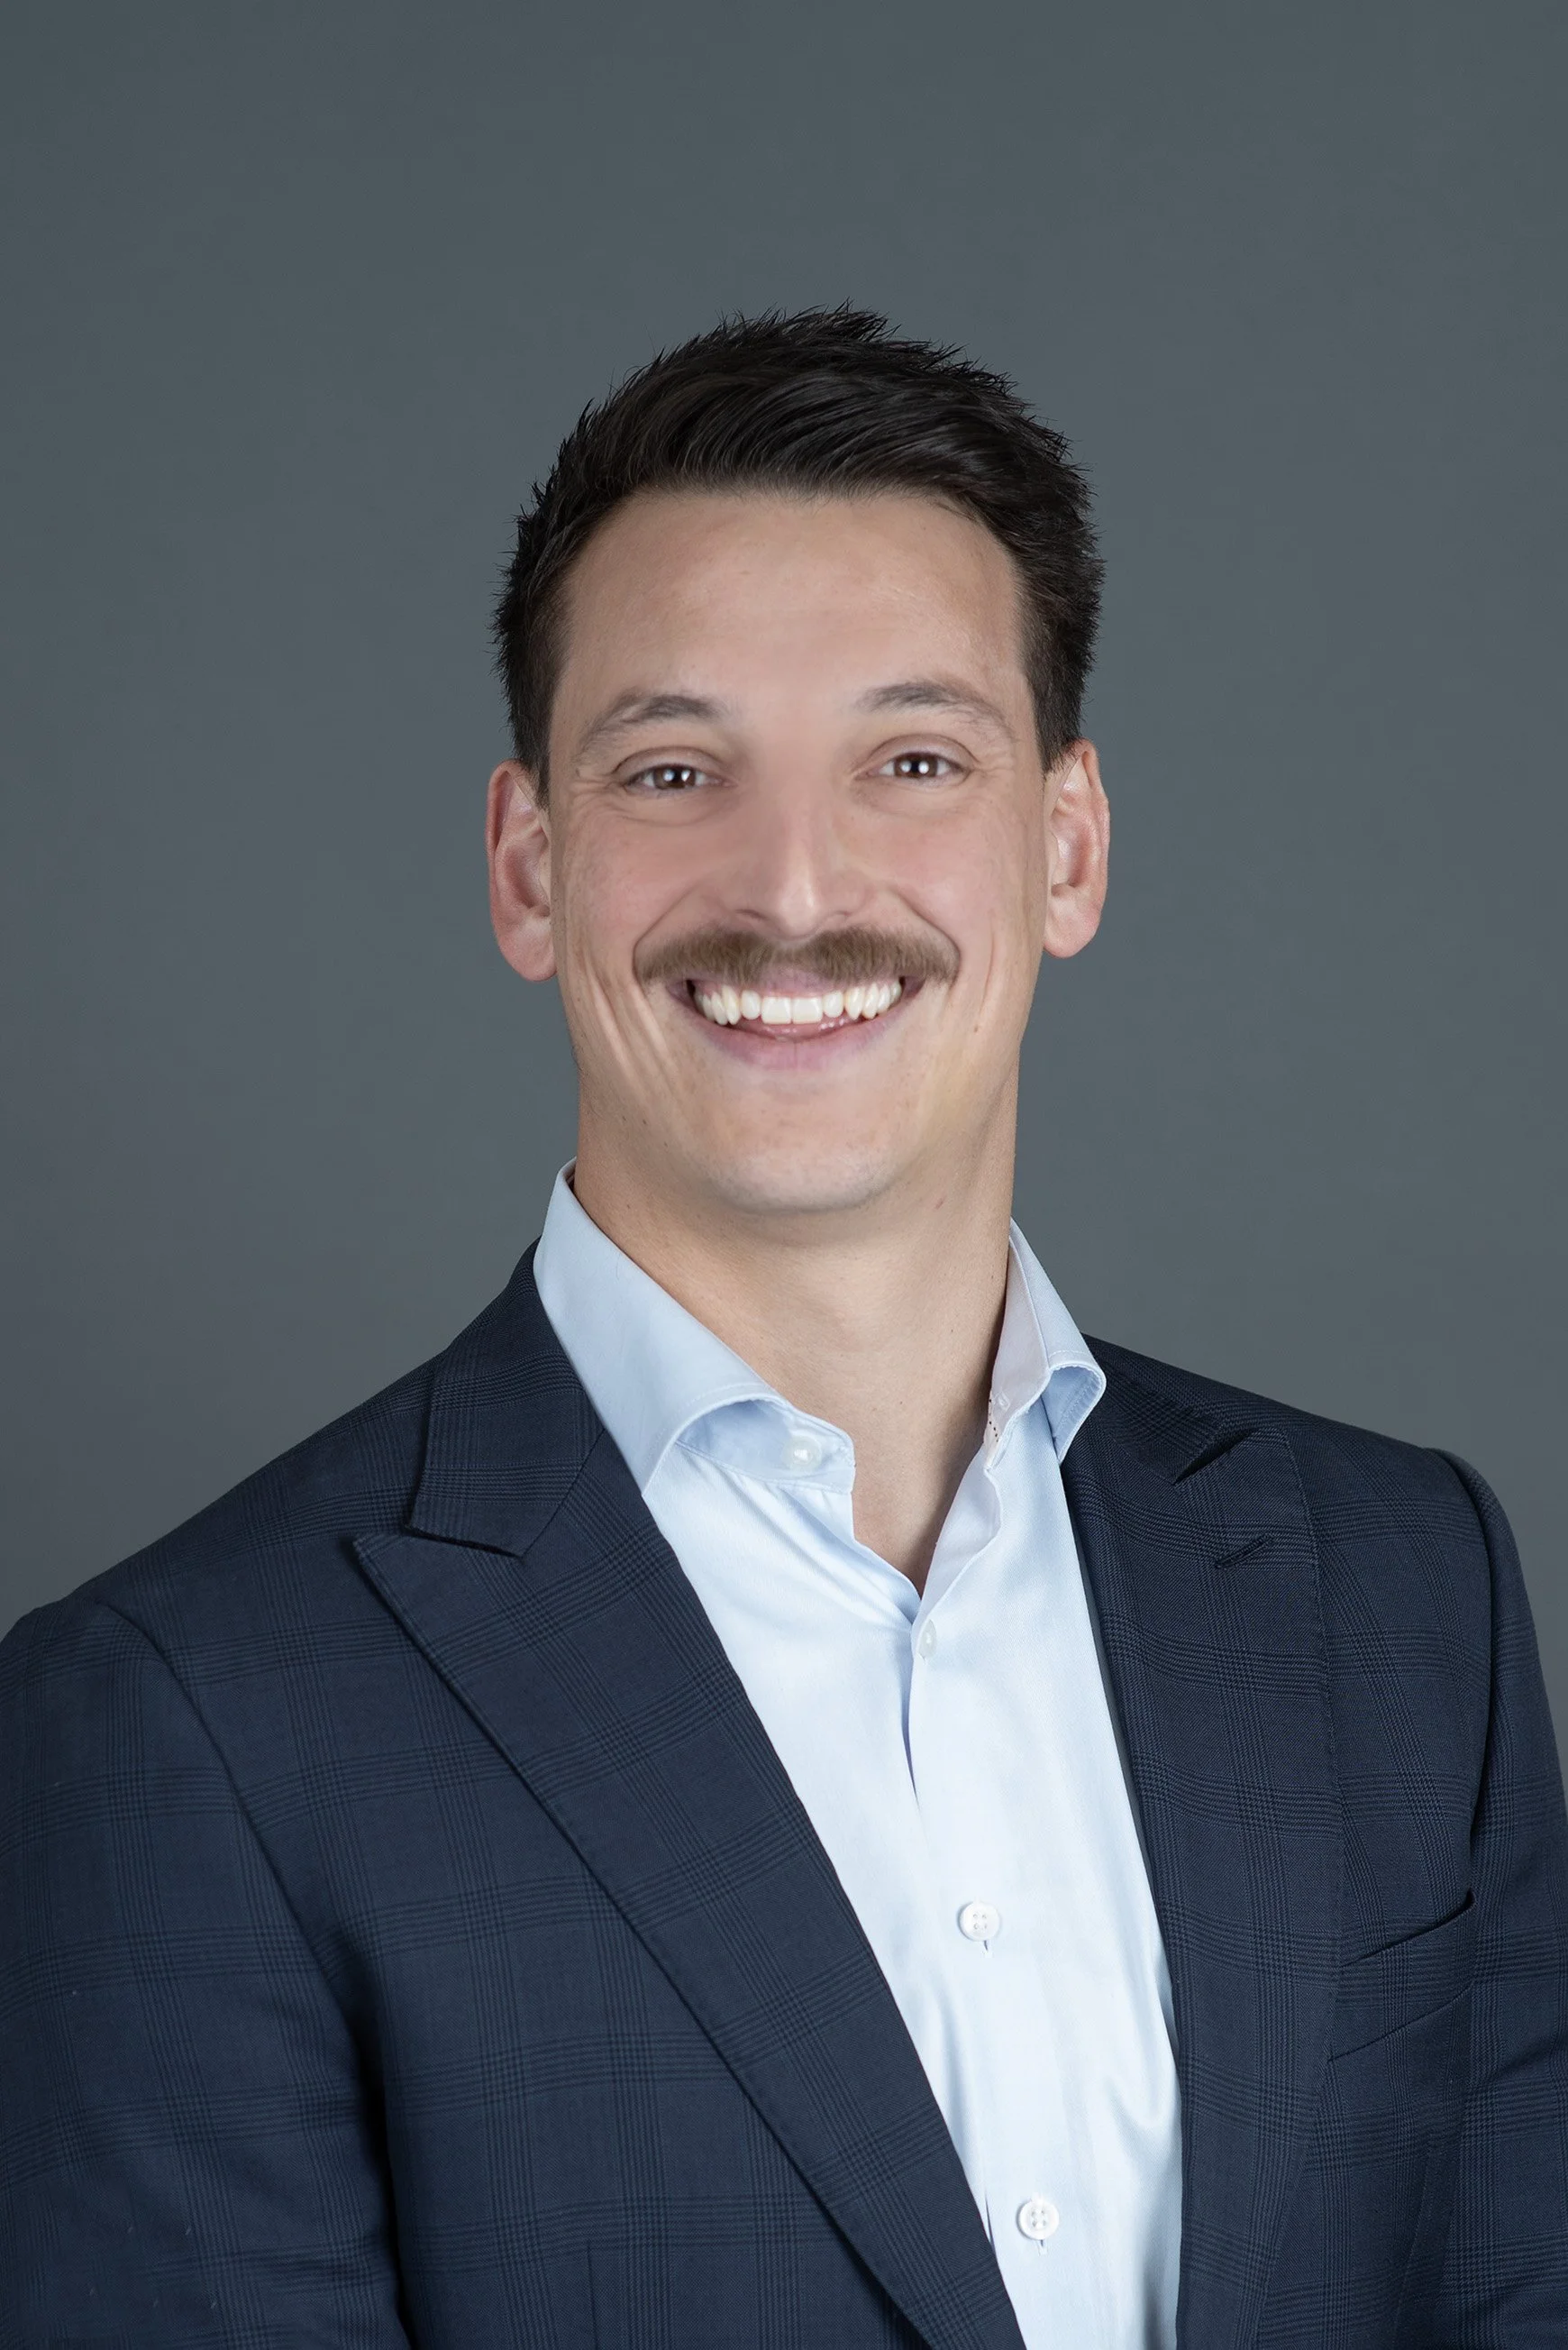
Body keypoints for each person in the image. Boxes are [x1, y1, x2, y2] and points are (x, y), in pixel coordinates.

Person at [2, 309, 1564, 2350]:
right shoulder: (175, 1724)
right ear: (529, 868)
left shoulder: (1404, 1592)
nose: (798, 888)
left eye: (914, 760)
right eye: (675, 768)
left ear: (1067, 845)